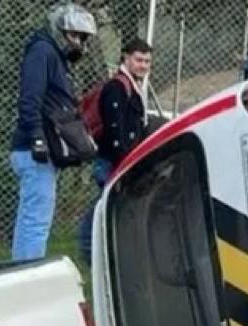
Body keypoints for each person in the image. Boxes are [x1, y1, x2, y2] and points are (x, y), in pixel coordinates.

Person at [10, 3, 98, 262]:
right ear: (60, 30)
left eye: (82, 38)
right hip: (34, 149)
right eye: (75, 36)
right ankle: (26, 278)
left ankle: (20, 273)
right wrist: (37, 137)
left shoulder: (53, 57)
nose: (79, 44)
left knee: (32, 219)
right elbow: (29, 99)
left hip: (40, 149)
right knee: (35, 222)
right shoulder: (42, 51)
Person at [78, 38, 153, 265]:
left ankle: (100, 253)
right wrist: (124, 161)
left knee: (110, 205)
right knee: (105, 206)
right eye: (139, 60)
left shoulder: (131, 86)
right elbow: (115, 129)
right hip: (113, 161)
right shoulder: (117, 87)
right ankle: (88, 249)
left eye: (147, 61)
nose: (143, 66)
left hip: (119, 160)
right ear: (126, 58)